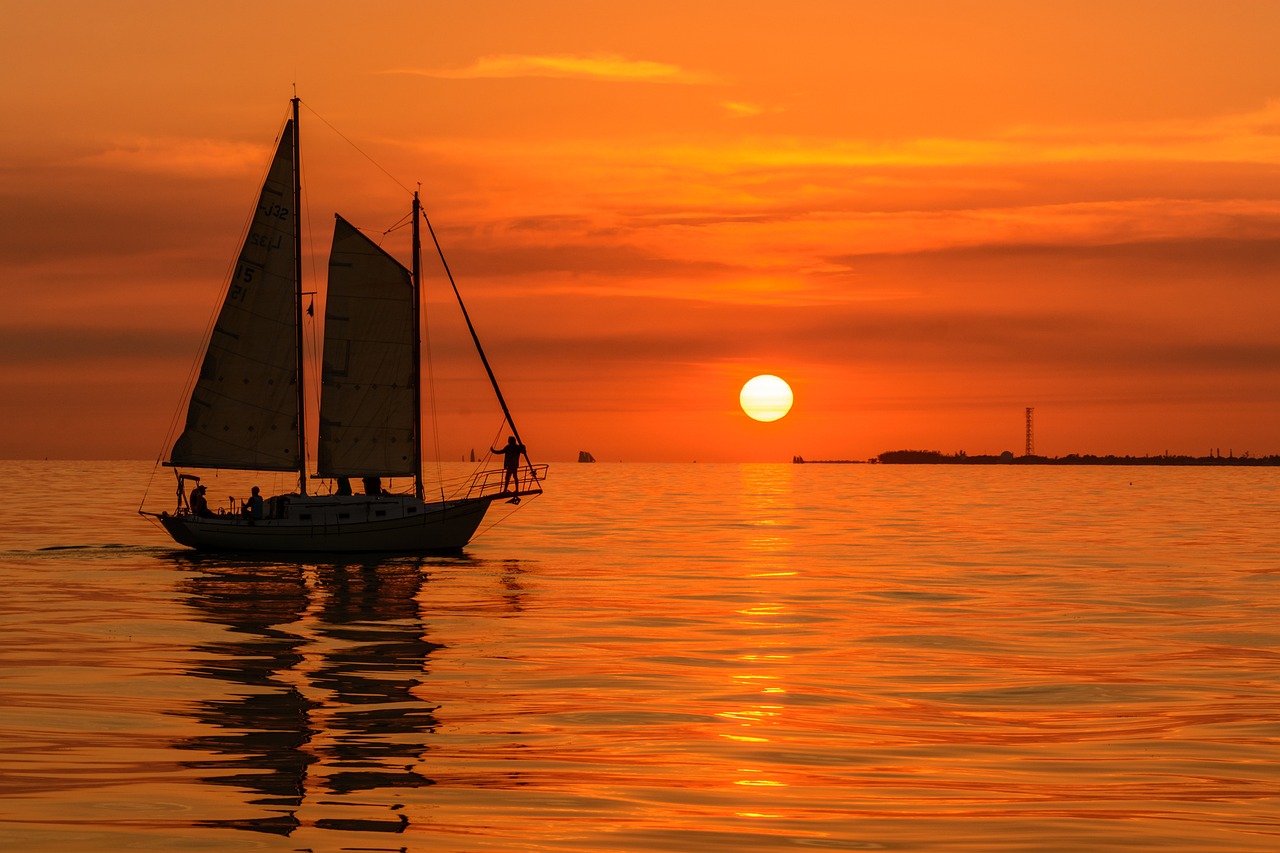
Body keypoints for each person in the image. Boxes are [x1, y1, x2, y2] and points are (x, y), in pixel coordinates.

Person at [491, 435, 526, 501]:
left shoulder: (517, 447)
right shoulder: (508, 447)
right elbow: (501, 451)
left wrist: (523, 446)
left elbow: (524, 452)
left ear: (512, 441)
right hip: (509, 465)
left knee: (514, 477)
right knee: (508, 477)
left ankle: (516, 490)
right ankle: (506, 490)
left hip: (513, 465)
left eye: (509, 440)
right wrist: (493, 451)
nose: (508, 441)